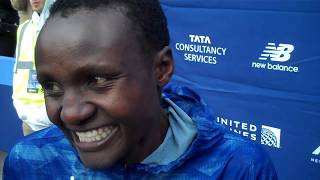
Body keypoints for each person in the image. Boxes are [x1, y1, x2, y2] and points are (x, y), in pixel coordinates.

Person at [4, 0, 278, 179]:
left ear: (162, 68)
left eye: (98, 79)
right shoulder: (30, 162)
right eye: (51, 86)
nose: (71, 114)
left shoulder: (238, 168)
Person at [11, 0, 54, 136]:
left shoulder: (65, 27)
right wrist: (20, 107)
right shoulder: (23, 29)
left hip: (54, 121)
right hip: (27, 118)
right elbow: (18, 74)